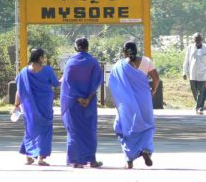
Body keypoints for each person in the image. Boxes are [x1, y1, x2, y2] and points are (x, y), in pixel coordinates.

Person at [108, 41, 159, 169]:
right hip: (145, 100)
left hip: (127, 103)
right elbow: (156, 78)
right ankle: (146, 150)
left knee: (123, 127)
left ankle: (129, 159)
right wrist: (153, 90)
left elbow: (112, 85)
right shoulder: (146, 61)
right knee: (147, 126)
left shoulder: (119, 66)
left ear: (124, 51)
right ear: (136, 50)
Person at [60, 37, 103, 168]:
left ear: (75, 47)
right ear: (87, 47)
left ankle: (76, 161)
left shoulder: (70, 62)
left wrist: (78, 98)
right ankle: (92, 160)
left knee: (74, 130)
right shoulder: (93, 62)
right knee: (89, 130)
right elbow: (96, 82)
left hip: (73, 102)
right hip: (88, 103)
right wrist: (87, 98)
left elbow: (67, 83)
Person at [14, 47, 59, 166]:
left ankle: (28, 157)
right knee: (44, 131)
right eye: (43, 57)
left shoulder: (23, 72)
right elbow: (56, 84)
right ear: (40, 58)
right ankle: (40, 158)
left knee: (30, 130)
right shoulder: (47, 70)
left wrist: (16, 105)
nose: (44, 59)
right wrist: (64, 79)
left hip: (29, 108)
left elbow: (19, 90)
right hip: (45, 107)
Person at [183, 32, 206, 115]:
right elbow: (186, 61)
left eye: (199, 39)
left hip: (203, 74)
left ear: (201, 39)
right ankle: (199, 105)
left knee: (201, 92)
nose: (197, 40)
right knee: (194, 90)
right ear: (194, 40)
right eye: (196, 39)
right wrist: (184, 72)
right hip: (192, 74)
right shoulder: (190, 47)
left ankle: (199, 108)